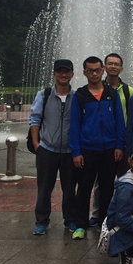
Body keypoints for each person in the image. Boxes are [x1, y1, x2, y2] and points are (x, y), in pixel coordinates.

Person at [70, 56, 125, 240]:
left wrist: (119, 145)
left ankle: (104, 222)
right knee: (84, 188)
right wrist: (76, 151)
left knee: (107, 188)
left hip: (109, 149)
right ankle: (81, 224)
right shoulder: (80, 96)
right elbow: (75, 125)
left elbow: (119, 122)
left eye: (97, 70)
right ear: (84, 73)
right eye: (90, 70)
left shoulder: (112, 94)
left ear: (102, 71)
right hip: (87, 149)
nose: (94, 73)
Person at [29, 59, 77, 235]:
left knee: (69, 188)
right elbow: (35, 119)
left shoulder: (77, 96)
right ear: (54, 73)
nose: (63, 74)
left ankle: (70, 219)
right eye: (60, 71)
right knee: (44, 188)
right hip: (47, 149)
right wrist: (37, 144)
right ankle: (41, 221)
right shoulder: (44, 95)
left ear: (72, 74)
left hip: (69, 151)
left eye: (67, 71)